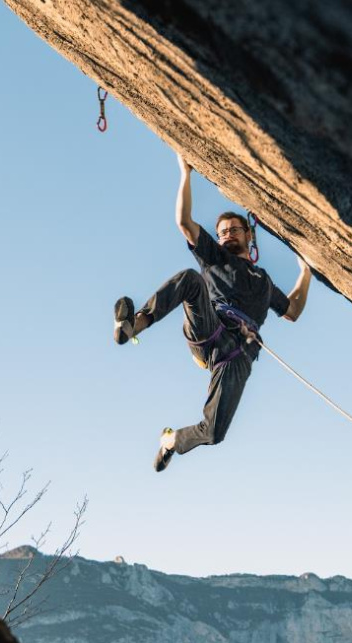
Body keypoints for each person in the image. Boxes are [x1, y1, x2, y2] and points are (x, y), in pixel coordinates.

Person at [113, 152, 311, 471]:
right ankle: (133, 326)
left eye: (234, 229)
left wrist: (307, 271)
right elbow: (184, 223)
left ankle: (170, 441)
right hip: (211, 328)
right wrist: (185, 173)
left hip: (239, 355)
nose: (228, 234)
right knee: (191, 280)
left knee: (215, 432)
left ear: (249, 235)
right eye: (223, 232)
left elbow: (294, 310)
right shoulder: (215, 257)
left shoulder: (264, 281)